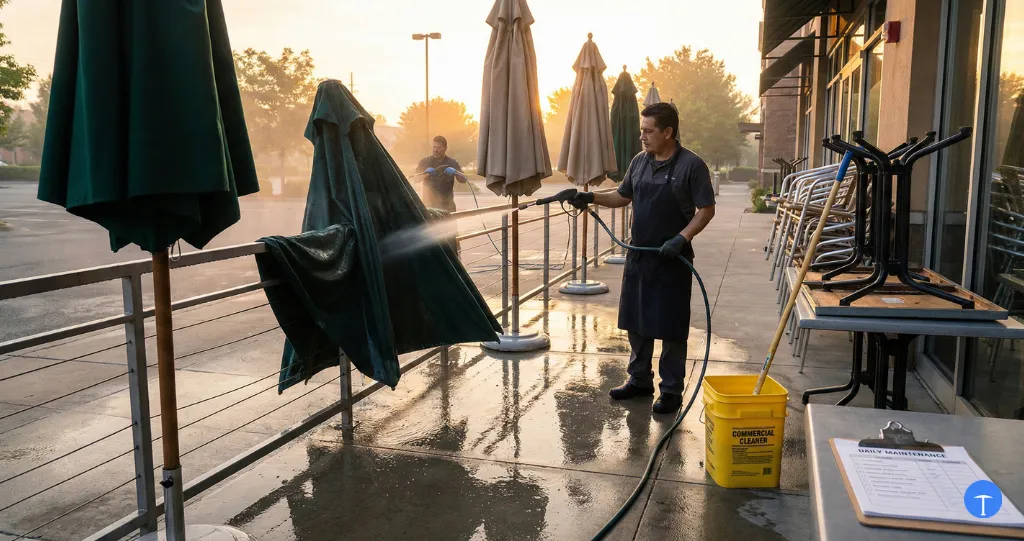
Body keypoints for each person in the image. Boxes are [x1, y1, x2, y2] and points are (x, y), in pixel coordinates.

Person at [551, 102, 716, 414]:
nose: (642, 136)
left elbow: (706, 209)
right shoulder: (640, 161)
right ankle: (639, 380)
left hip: (673, 259)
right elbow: (623, 195)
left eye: (648, 131)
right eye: (642, 130)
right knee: (636, 322)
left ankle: (671, 390)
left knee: (671, 326)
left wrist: (682, 238)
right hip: (639, 255)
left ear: (668, 132)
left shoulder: (692, 166)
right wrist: (590, 197)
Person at [415, 135, 466, 212]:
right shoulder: (425, 162)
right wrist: (424, 174)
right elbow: (415, 179)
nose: (435, 150)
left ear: (445, 148)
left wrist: (456, 172)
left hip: (448, 206)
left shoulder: (452, 162)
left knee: (449, 220)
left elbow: (463, 180)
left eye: (439, 147)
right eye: (434, 147)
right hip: (429, 207)